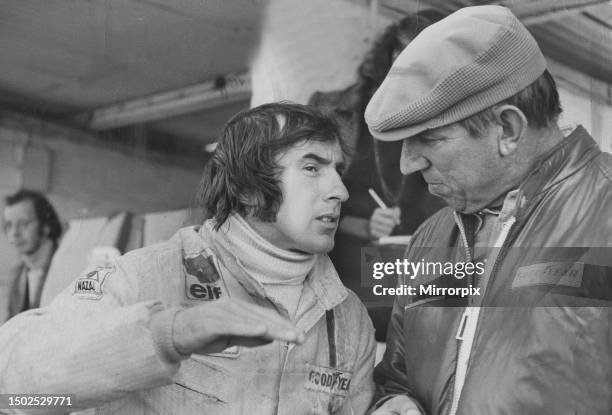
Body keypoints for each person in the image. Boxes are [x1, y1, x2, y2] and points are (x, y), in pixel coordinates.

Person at [0, 103, 376, 414]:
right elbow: (14, 388)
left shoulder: (347, 317)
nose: (340, 191)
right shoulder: (142, 277)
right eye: (312, 168)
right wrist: (168, 334)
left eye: (337, 170)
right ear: (248, 188)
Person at [364, 5, 612, 415]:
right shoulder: (427, 240)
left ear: (508, 130)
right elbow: (397, 376)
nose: (408, 164)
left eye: (429, 139)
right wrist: (393, 401)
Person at [310, 13, 445, 340]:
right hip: (343, 281)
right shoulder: (337, 113)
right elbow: (297, 204)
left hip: (416, 287)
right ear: (388, 57)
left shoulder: (445, 118)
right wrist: (364, 225)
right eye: (403, 56)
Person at [2, 189, 62, 322]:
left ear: (46, 226)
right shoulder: (16, 276)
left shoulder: (67, 269)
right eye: (9, 225)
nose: (14, 233)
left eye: (24, 223)